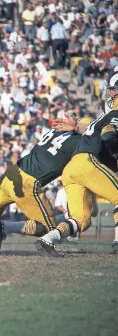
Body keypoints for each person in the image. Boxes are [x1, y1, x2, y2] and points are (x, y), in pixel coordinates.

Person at [0, 116, 92, 253]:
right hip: (28, 182)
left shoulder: (57, 132)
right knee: (49, 228)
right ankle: (12, 229)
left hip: (12, 174)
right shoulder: (80, 141)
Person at [37, 73, 118, 256]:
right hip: (87, 162)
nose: (111, 94)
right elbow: (107, 134)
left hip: (71, 168)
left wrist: (75, 127)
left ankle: (48, 239)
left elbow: (91, 127)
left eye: (114, 90)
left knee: (81, 219)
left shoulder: (100, 119)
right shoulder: (112, 115)